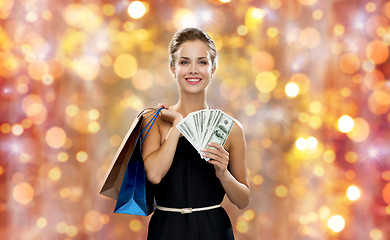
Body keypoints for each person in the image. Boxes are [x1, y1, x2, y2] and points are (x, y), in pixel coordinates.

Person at [141, 27, 249, 240]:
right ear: (173, 68)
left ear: (213, 68)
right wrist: (177, 125)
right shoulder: (154, 120)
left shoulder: (231, 128)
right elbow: (154, 174)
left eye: (202, 62)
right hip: (167, 230)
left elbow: (243, 200)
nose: (193, 70)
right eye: (184, 62)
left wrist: (223, 173)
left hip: (214, 230)